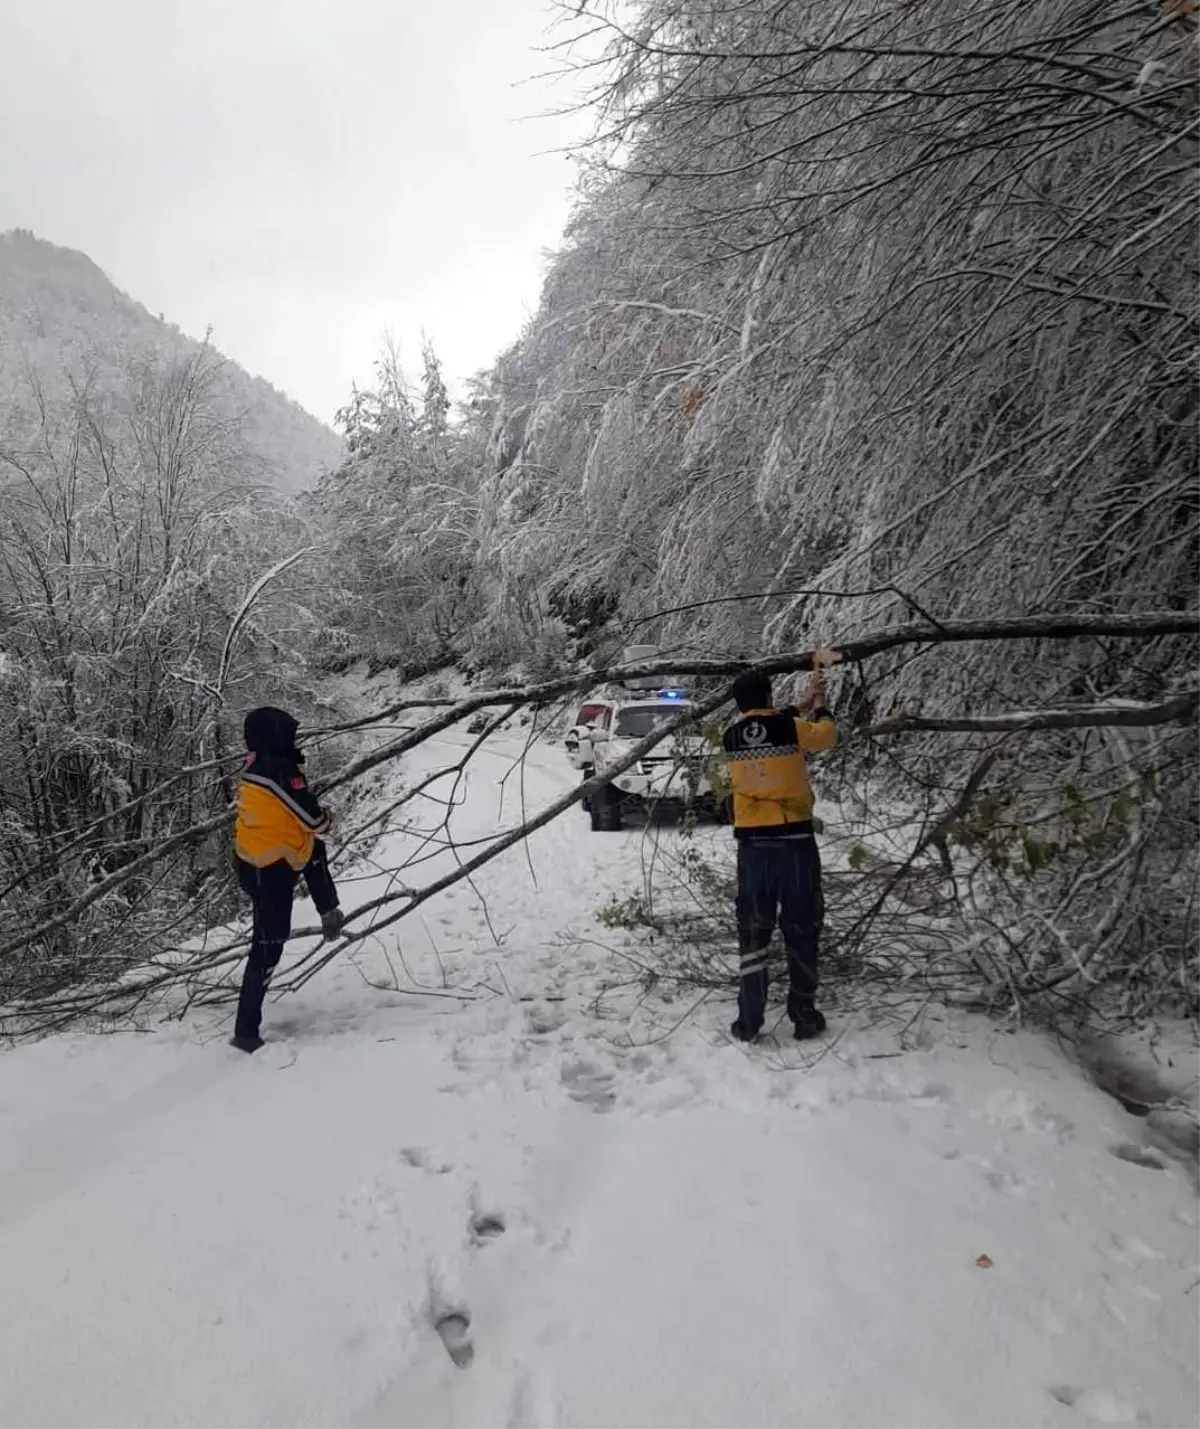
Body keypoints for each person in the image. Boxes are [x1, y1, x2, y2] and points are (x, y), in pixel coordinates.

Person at [722, 652, 839, 1042]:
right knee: (802, 927)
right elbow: (826, 735)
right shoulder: (792, 728)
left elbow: (764, 725)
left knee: (754, 930)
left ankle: (749, 1020)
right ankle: (803, 1014)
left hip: (753, 849)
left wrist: (797, 705)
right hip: (794, 845)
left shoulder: (731, 736)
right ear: (769, 697)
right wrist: (818, 706)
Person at [231, 706, 344, 1053]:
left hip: (259, 857)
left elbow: (294, 819)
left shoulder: (258, 763)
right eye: (289, 732)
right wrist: (327, 816)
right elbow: (312, 819)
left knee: (315, 853)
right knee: (268, 946)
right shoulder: (277, 770)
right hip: (268, 868)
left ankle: (329, 911)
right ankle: (246, 1033)